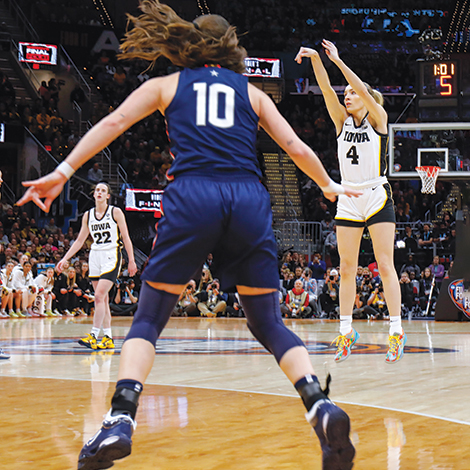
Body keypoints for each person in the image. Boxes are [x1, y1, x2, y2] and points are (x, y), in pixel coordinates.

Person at [18, 4, 359, 469]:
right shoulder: (253, 92)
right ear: (230, 50)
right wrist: (328, 185)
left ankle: (120, 418)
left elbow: (114, 123)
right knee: (268, 322)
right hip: (247, 197)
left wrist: (62, 169)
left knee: (150, 317)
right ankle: (319, 403)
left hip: (192, 194)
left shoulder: (167, 84)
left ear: (190, 46)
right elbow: (296, 146)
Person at [296, 40, 406, 364]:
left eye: (353, 93)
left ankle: (396, 331)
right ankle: (346, 332)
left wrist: (340, 61)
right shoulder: (341, 121)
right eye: (348, 93)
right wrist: (318, 59)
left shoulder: (378, 119)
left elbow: (358, 88)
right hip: (348, 196)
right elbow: (327, 88)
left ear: (367, 98)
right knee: (345, 268)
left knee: (385, 264)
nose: (348, 95)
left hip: (375, 194)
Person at [57, 182, 136, 348]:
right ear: (94, 195)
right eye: (97, 190)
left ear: (108, 196)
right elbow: (80, 241)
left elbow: (126, 237)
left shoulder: (115, 212)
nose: (99, 192)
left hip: (111, 255)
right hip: (95, 256)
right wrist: (65, 258)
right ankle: (108, 337)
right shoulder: (88, 215)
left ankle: (93, 334)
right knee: (103, 299)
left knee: (99, 296)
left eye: (103, 190)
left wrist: (131, 260)